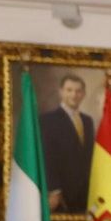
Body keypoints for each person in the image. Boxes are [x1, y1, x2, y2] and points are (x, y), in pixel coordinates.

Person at [39, 72, 95, 213]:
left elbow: (89, 156)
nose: (74, 95)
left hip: (85, 193)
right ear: (61, 92)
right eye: (69, 90)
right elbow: (47, 157)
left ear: (83, 94)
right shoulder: (48, 120)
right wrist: (54, 190)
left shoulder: (88, 121)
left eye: (78, 91)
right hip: (61, 195)